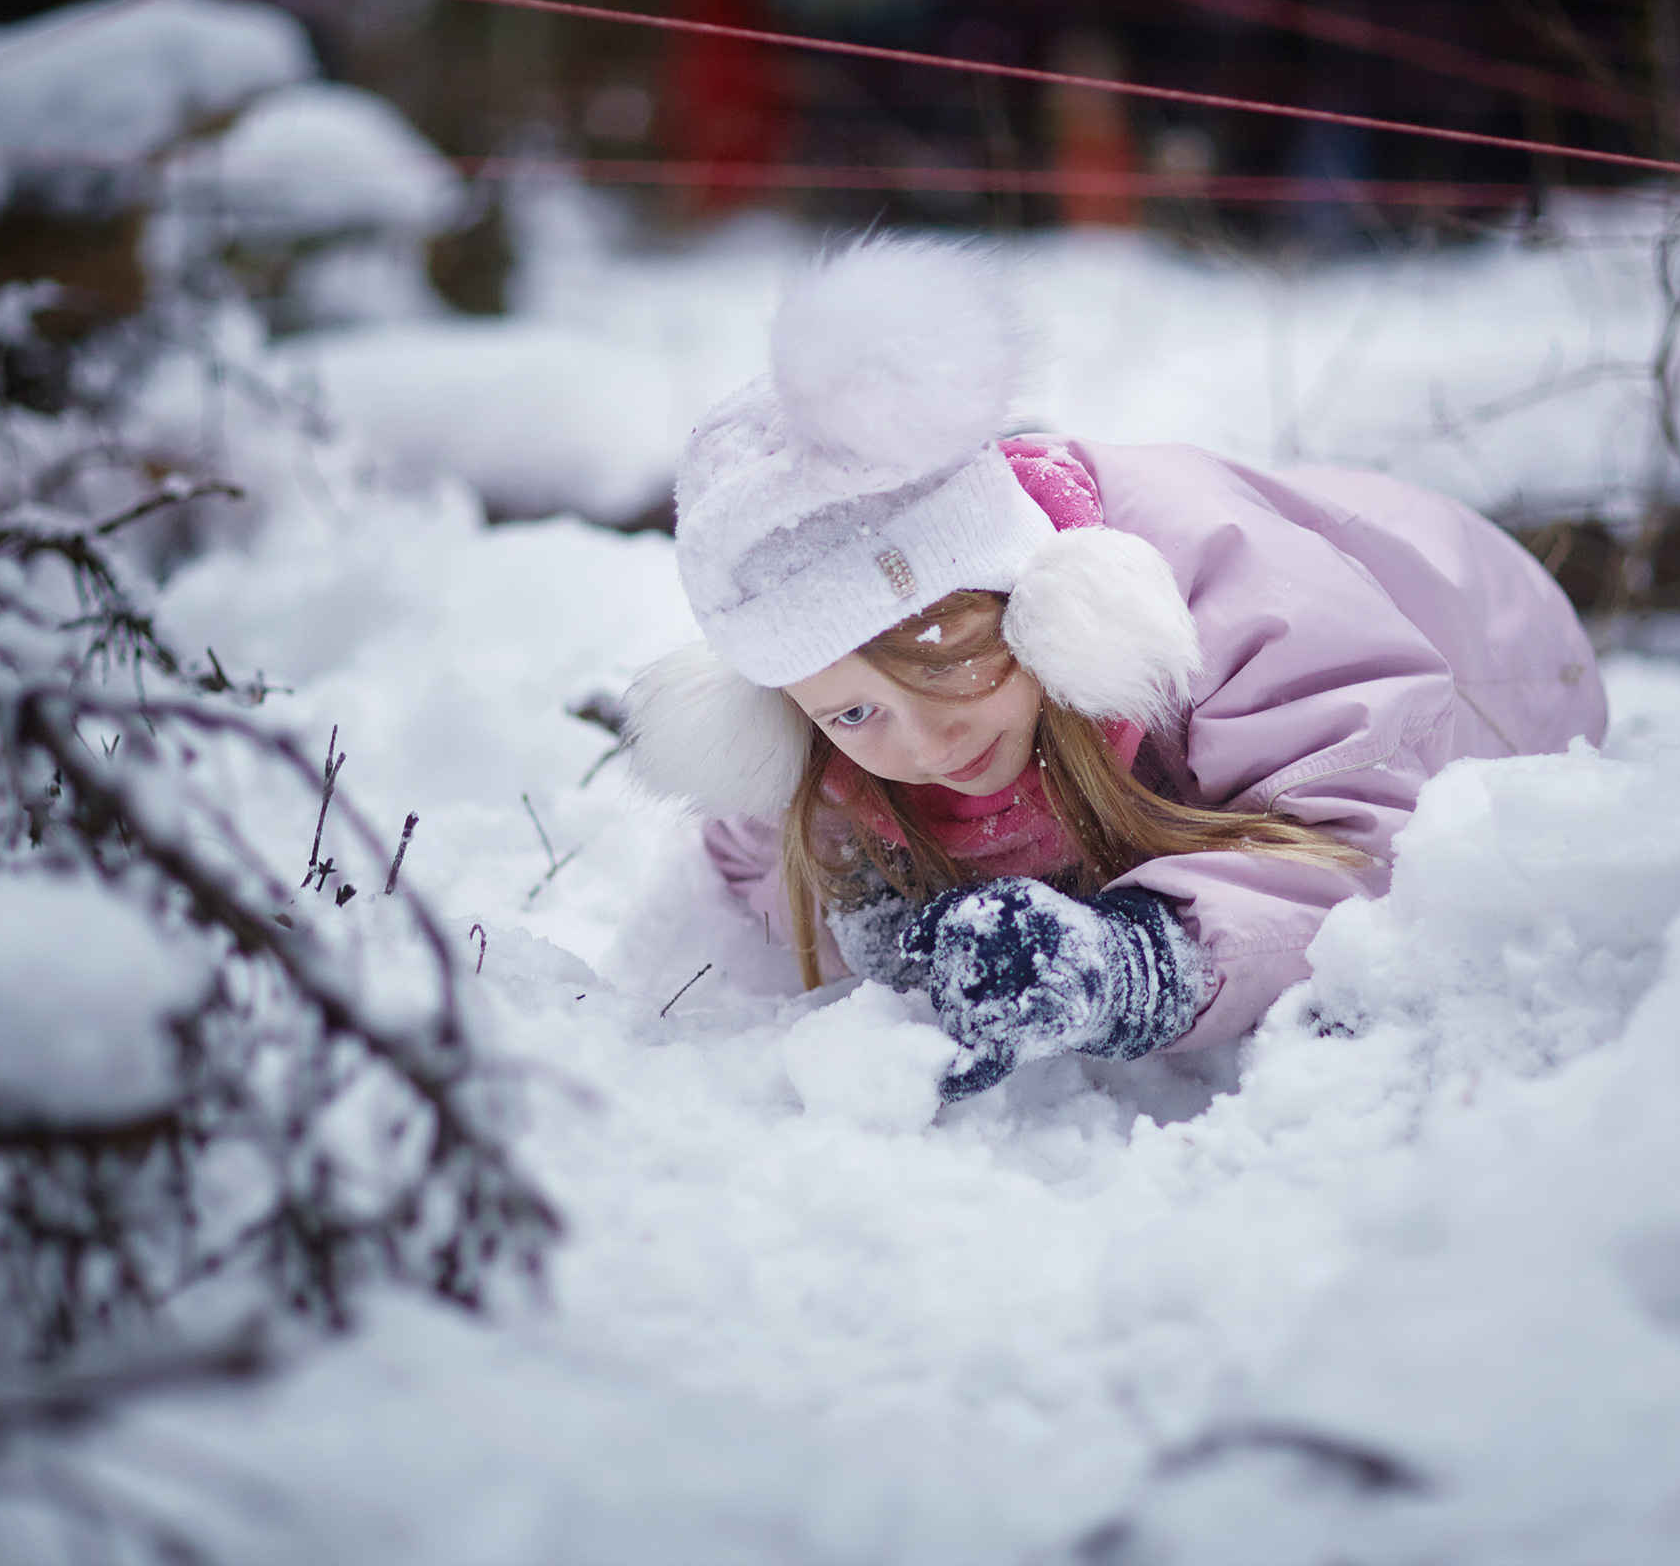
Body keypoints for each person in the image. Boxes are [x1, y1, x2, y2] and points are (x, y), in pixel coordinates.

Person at [626, 236, 1606, 1100]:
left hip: (1493, 659)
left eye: (949, 666)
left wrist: (1138, 958)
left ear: (1034, 603)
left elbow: (1372, 845)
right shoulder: (825, 746)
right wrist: (880, 915)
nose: (927, 744)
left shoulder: (1241, 604)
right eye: (850, 716)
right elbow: (766, 856)